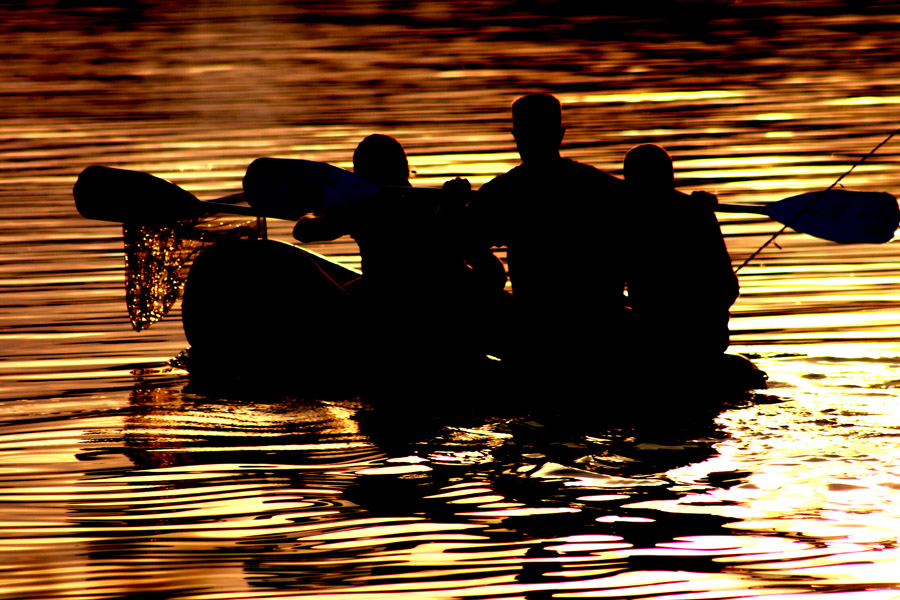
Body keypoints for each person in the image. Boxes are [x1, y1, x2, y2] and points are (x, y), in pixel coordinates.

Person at [467, 93, 627, 375]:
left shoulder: (503, 192)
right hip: (602, 322)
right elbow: (653, 212)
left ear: (516, 135)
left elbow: (461, 242)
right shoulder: (602, 187)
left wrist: (452, 208)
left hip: (536, 327)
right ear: (561, 134)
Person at [621, 143, 739, 360]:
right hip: (704, 337)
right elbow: (729, 288)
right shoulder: (698, 213)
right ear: (670, 177)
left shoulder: (623, 219)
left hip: (654, 338)